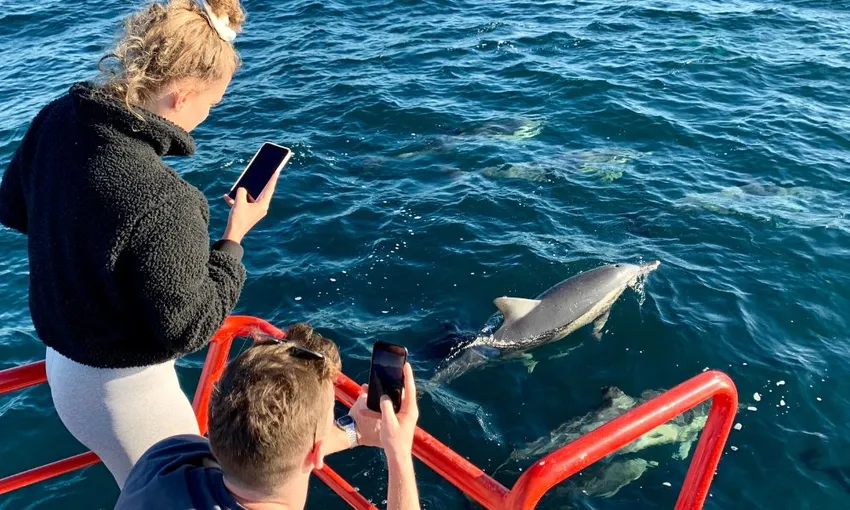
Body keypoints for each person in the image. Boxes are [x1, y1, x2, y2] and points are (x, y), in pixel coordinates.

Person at [0, 0, 266, 487]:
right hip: (127, 398)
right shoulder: (168, 201)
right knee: (186, 495)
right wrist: (234, 240)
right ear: (181, 96)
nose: (208, 116)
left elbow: (15, 209)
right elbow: (187, 329)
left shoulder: (58, 117)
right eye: (212, 103)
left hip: (64, 370)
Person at [115, 323, 421, 510]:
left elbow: (271, 447)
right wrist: (399, 454)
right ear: (315, 453)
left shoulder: (164, 460)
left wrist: (354, 431)